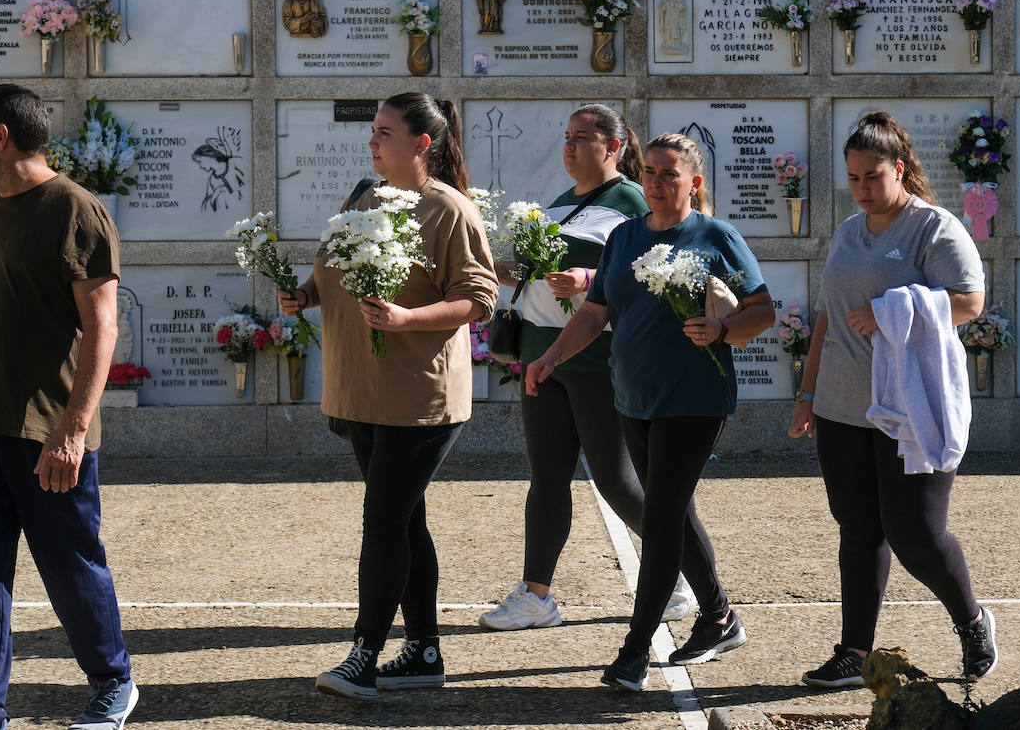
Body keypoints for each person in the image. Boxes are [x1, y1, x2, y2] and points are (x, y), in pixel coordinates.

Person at [526, 132, 774, 692]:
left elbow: (762, 311)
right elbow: (595, 312)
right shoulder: (624, 236)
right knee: (673, 513)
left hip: (695, 398)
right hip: (633, 398)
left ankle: (634, 652)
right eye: (651, 173)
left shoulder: (716, 236)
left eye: (670, 174)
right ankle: (719, 618)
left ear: (694, 182)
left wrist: (722, 329)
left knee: (660, 520)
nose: (657, 183)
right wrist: (551, 356)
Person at [277, 93, 497, 701]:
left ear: (422, 143)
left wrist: (406, 320)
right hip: (362, 393)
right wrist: (304, 295)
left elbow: (479, 297)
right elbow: (332, 269)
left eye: (384, 132)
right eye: (372, 131)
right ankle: (423, 652)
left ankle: (364, 655)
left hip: (417, 398)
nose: (372, 142)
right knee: (404, 521)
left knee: (383, 522)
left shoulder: (448, 209)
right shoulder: (364, 198)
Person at [0, 84, 138, 730]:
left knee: (72, 570)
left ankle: (113, 682)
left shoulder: (74, 210)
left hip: (46, 433)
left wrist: (71, 431)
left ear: (1, 136)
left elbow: (102, 326)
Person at [789, 112, 996, 689]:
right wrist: (807, 394)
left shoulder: (933, 228)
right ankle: (854, 652)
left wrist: (887, 313)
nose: (862, 189)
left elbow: (969, 302)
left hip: (910, 407)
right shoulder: (848, 232)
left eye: (872, 177)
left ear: (899, 169)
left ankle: (973, 621)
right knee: (858, 531)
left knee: (916, 535)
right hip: (840, 408)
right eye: (853, 178)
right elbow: (826, 317)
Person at [479, 104, 693, 631]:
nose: (570, 146)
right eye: (567, 136)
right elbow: (535, 277)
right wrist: (483, 263)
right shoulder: (558, 205)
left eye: (583, 137)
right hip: (542, 357)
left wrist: (589, 279)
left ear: (614, 147)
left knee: (617, 482)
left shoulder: (633, 201)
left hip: (598, 359)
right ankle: (535, 596)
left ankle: (682, 575)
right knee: (547, 479)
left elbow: (653, 270)